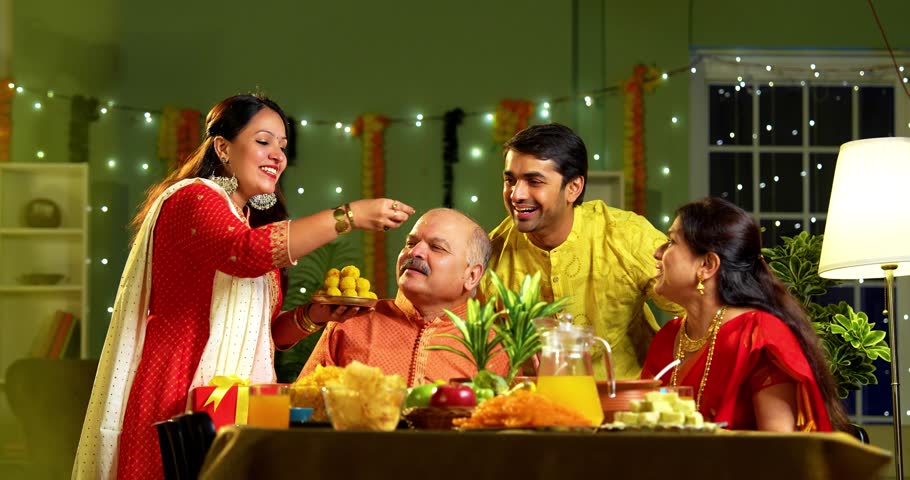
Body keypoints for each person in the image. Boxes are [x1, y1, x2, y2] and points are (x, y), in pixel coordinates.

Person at [73, 94, 415, 480]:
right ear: (222, 147)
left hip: (234, 398)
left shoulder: (245, 221)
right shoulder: (194, 198)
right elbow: (244, 252)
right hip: (177, 388)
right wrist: (349, 216)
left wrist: (311, 316)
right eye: (264, 141)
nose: (278, 157)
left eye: (283, 147)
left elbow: (262, 338)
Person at [482, 123, 682, 380]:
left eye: (534, 181)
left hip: (627, 407)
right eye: (510, 180)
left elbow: (700, 306)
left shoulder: (625, 236)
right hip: (533, 408)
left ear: (573, 188)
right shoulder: (493, 254)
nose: (516, 194)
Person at [640, 197, 847, 432]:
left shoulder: (759, 337)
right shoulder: (668, 337)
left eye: (670, 242)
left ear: (707, 265)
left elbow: (779, 451)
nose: (657, 253)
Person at [301, 208, 509, 385]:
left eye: (437, 247)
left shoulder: (493, 347)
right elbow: (304, 407)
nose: (415, 252)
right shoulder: (351, 321)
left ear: (471, 275)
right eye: (410, 243)